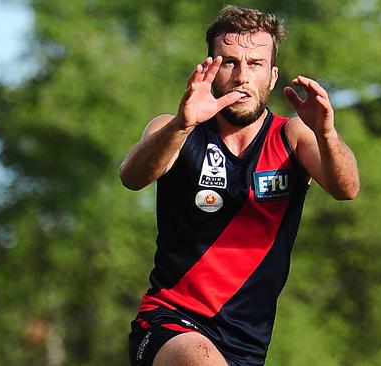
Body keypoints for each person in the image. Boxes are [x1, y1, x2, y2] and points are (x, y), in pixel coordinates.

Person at [120, 5, 359, 366]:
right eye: (229, 62)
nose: (242, 76)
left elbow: (347, 187)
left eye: (255, 64)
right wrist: (181, 126)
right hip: (170, 323)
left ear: (272, 76)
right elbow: (132, 176)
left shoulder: (291, 136)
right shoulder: (174, 130)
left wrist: (326, 132)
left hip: (247, 343)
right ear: (211, 67)